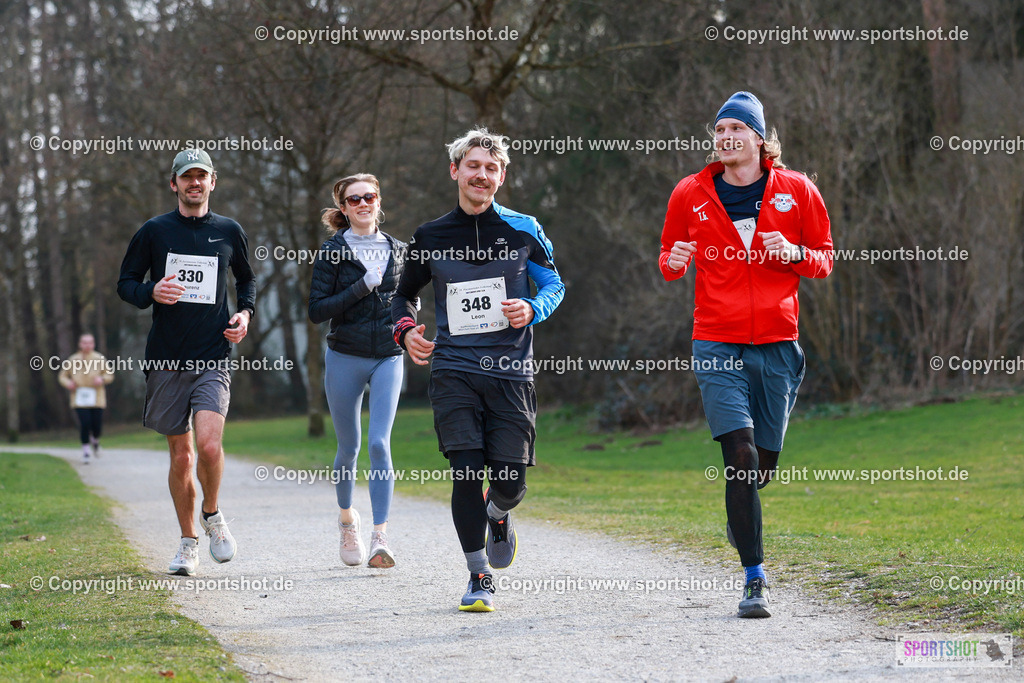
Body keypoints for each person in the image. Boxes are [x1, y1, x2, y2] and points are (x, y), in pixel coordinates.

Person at [659, 92, 833, 618]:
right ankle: (755, 577)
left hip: (778, 344)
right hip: (716, 340)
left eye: (737, 127)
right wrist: (676, 258)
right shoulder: (690, 193)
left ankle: (742, 519)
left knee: (762, 467)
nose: (726, 136)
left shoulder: (797, 189)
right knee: (739, 455)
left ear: (760, 138)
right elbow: (667, 261)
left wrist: (795, 253)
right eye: (719, 129)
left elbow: (824, 259)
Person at [392, 128, 565, 612]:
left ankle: (499, 513)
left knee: (510, 482)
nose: (481, 175)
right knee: (465, 472)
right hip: (454, 371)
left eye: (491, 169)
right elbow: (402, 295)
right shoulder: (430, 236)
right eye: (473, 166)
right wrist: (406, 331)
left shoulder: (525, 229)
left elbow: (554, 285)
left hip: (511, 372)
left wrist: (533, 308)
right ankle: (477, 576)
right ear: (455, 171)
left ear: (501, 176)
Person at [117, 148, 256, 577]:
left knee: (210, 445)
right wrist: (150, 293)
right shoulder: (154, 231)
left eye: (202, 176)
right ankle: (187, 542)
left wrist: (244, 315)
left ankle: (211, 515)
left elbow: (247, 278)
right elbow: (125, 283)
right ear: (173, 183)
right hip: (165, 360)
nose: (194, 183)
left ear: (213, 182)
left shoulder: (229, 231)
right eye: (186, 177)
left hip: (213, 355)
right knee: (181, 457)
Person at [309, 173, 409, 569]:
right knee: (349, 447)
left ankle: (379, 536)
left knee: (379, 444)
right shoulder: (332, 251)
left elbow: (408, 300)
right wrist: (360, 288)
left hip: (389, 354)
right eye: (354, 200)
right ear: (344, 208)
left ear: (379, 201)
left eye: (369, 197)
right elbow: (317, 311)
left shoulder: (400, 250)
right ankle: (348, 518)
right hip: (345, 356)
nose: (363, 204)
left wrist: (410, 327)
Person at [58, 333, 115, 463]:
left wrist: (102, 379)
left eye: (90, 342)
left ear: (93, 344)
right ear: (80, 344)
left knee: (96, 425)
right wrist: (69, 383)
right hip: (79, 397)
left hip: (97, 397)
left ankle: (95, 440)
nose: (87, 345)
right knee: (85, 424)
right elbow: (62, 376)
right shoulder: (73, 359)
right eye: (84, 342)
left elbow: (110, 375)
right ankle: (86, 452)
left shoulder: (99, 358)